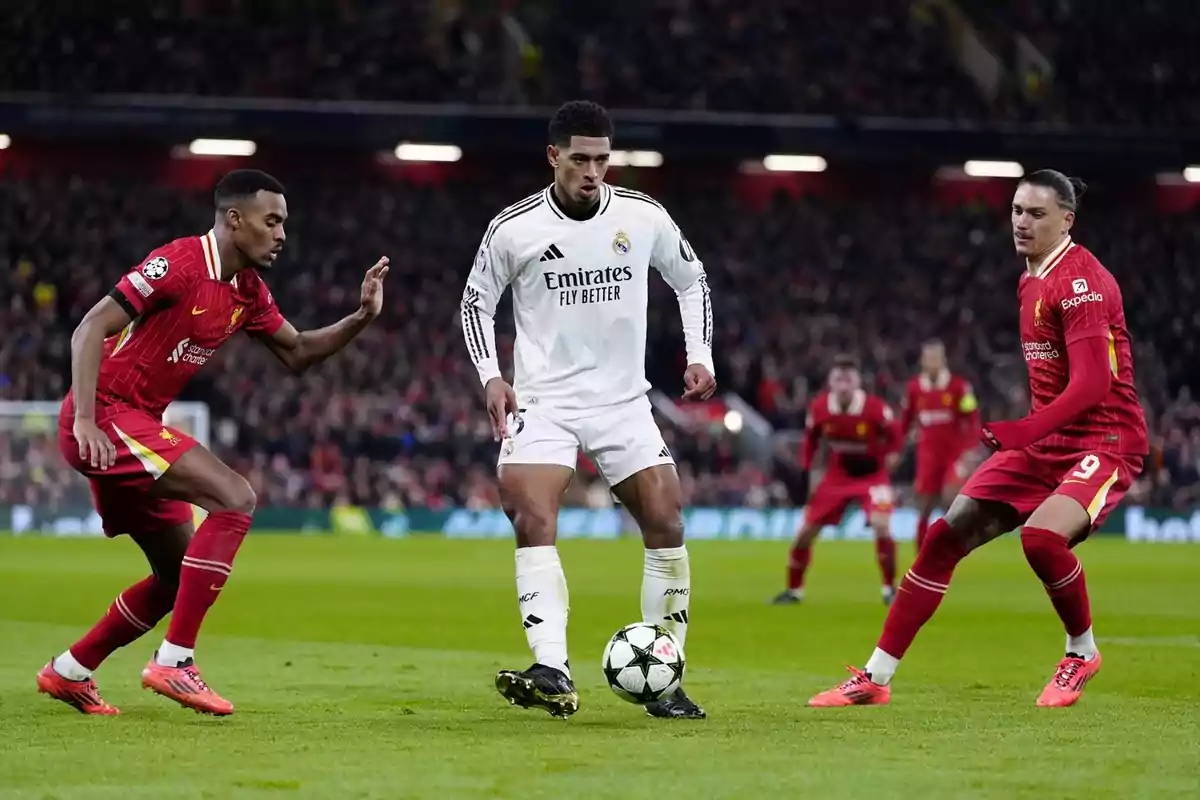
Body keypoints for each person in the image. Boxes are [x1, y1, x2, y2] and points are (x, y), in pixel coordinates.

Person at [37, 169, 388, 716]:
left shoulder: (247, 291)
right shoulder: (179, 264)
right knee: (236, 497)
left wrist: (361, 317)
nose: (281, 234)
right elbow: (89, 328)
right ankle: (175, 662)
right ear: (234, 219)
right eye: (271, 221)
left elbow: (297, 353)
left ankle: (70, 671)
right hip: (105, 416)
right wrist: (85, 420)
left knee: (175, 577)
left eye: (284, 223)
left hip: (134, 425)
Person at [809, 170, 1148, 708]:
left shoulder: (1082, 282)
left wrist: (1024, 428)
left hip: (1103, 440)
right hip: (1047, 442)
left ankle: (1080, 653)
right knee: (945, 536)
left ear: (1067, 220)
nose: (1021, 222)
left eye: (1036, 214)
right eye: (1016, 210)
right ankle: (875, 677)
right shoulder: (1029, 277)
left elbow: (1093, 385)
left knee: (1041, 539)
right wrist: (1034, 434)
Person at [459, 100, 716, 719]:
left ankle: (666, 673)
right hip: (542, 401)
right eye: (580, 158)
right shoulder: (513, 228)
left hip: (623, 399)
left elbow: (691, 279)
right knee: (531, 514)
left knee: (666, 521)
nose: (593, 170)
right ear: (554, 157)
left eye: (602, 158)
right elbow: (475, 302)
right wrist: (493, 377)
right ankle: (552, 667)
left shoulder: (643, 215)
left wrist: (699, 353)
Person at [772, 355, 901, 607]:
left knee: (881, 525)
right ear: (831, 382)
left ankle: (889, 589)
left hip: (872, 475)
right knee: (804, 534)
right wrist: (809, 471)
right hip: (837, 476)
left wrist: (890, 461)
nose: (843, 385)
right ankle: (794, 590)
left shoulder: (874, 408)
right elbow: (811, 441)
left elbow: (895, 437)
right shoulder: (820, 408)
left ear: (857, 383)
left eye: (848, 379)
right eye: (838, 379)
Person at [899, 340, 979, 551]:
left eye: (936, 358)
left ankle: (952, 548)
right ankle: (921, 555)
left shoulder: (959, 387)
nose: (933, 362)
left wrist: (969, 450)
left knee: (952, 497)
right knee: (925, 506)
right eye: (929, 358)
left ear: (943, 360)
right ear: (923, 362)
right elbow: (905, 421)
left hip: (954, 454)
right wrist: (897, 447)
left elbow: (971, 419)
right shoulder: (914, 389)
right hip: (927, 456)